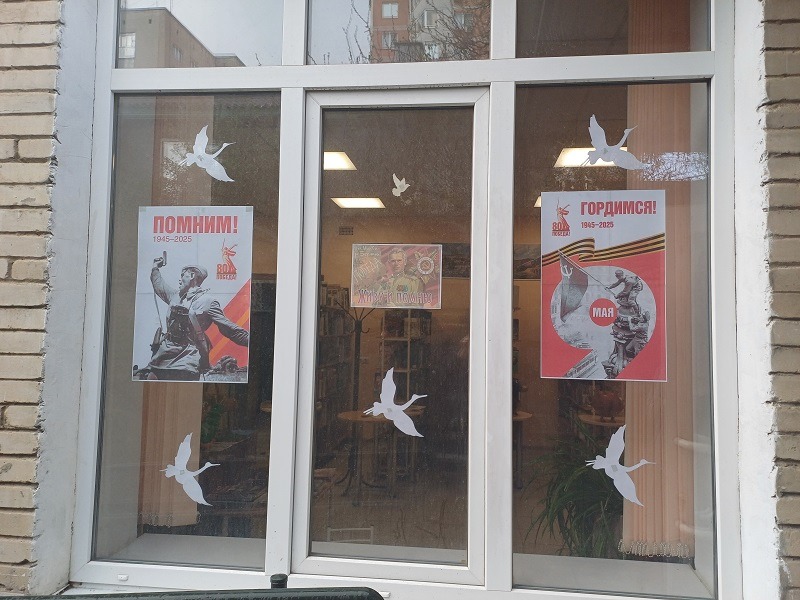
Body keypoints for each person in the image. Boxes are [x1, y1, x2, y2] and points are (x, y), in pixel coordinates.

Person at [144, 256, 249, 381]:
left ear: (192, 275)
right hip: (163, 354)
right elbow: (159, 286)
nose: (179, 279)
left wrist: (252, 342)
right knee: (150, 380)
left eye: (182, 275)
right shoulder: (175, 296)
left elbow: (229, 329)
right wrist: (155, 267)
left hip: (187, 357)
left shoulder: (208, 302)